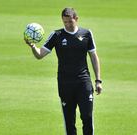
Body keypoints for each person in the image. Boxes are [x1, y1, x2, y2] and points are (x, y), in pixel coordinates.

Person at [24, 7, 102, 135]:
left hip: (84, 82)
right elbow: (40, 55)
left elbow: (94, 56)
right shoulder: (56, 35)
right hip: (65, 84)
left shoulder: (86, 34)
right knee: (69, 121)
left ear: (76, 19)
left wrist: (98, 80)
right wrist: (33, 47)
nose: (67, 25)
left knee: (87, 117)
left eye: (70, 22)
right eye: (65, 22)